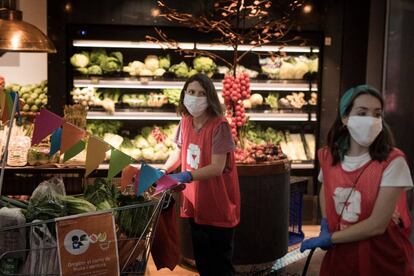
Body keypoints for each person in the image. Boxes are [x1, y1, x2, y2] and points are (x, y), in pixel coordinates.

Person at [300, 84, 413, 276]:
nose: (370, 120)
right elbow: (325, 187)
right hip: (341, 258)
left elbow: (377, 224)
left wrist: (332, 238)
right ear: (345, 118)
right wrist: (326, 222)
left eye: (377, 114)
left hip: (382, 258)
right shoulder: (329, 156)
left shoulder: (393, 161)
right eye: (362, 113)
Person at [160, 73, 240, 276]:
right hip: (195, 202)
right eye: (191, 92)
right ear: (184, 94)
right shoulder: (185, 120)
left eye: (201, 93)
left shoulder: (219, 126)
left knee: (220, 264)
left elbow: (217, 167)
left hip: (217, 203)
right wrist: (164, 170)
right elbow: (179, 150)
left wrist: (185, 176)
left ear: (210, 97)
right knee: (203, 263)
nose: (195, 97)